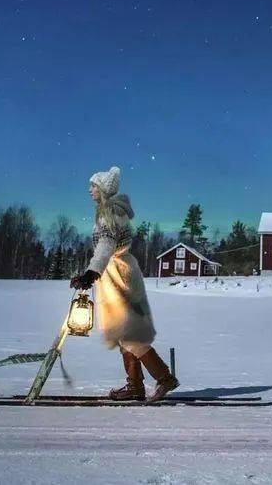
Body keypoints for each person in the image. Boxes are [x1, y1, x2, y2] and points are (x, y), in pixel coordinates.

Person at [70, 165, 179, 403]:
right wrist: (92, 272)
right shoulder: (112, 211)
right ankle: (135, 387)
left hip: (118, 275)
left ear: (102, 189)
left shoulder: (108, 212)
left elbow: (106, 247)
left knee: (128, 334)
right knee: (124, 333)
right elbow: (104, 248)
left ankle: (164, 378)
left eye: (93, 186)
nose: (90, 190)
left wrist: (91, 273)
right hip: (118, 273)